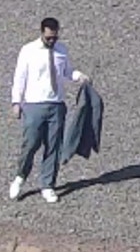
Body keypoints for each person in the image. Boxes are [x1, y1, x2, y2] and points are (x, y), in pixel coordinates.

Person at [9, 17, 91, 204]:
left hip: (56, 104)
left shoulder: (61, 50)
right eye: (48, 38)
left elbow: (66, 71)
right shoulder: (28, 51)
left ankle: (48, 185)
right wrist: (16, 102)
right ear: (42, 33)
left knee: (54, 146)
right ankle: (20, 177)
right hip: (34, 104)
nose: (51, 41)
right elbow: (19, 77)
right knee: (30, 143)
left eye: (54, 37)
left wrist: (79, 76)